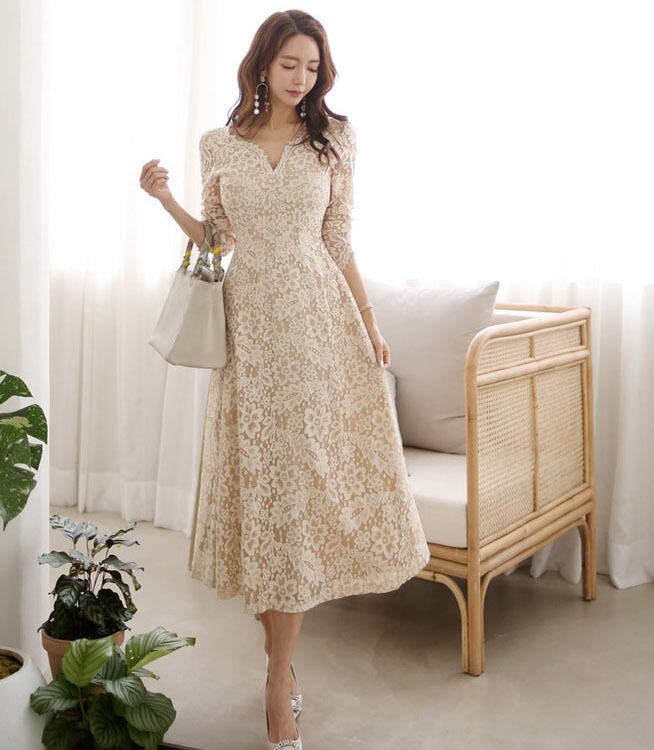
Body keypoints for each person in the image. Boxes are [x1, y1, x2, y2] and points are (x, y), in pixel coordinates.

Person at [140, 10, 430, 749]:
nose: (302, 78)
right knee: (264, 498)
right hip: (247, 337)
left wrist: (370, 323)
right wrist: (165, 201)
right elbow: (216, 242)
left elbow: (338, 241)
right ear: (263, 64)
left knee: (295, 498)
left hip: (314, 332)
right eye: (290, 64)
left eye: (313, 67)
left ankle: (277, 682)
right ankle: (282, 663)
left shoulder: (335, 140)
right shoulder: (219, 145)